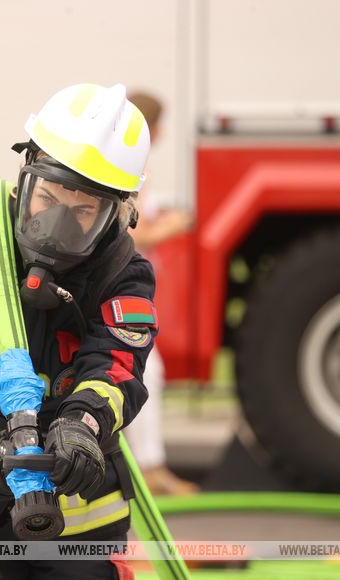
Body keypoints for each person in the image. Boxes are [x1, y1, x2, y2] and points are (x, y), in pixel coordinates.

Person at [0, 83, 154, 579]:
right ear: (26, 175)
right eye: (48, 197)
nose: (58, 223)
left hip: (80, 511)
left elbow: (115, 365)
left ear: (117, 212)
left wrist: (82, 426)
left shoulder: (123, 271)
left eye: (83, 211)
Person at [124, 91, 198, 495]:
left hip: (124, 286)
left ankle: (147, 465)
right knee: (146, 367)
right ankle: (150, 469)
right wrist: (179, 223)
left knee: (146, 367)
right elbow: (136, 235)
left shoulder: (130, 166)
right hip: (122, 288)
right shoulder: (131, 168)